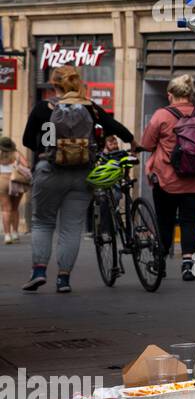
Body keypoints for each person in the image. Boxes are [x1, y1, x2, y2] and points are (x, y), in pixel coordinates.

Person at [20, 65, 134, 292]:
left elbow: (26, 140)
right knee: (71, 228)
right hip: (82, 174)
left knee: (43, 222)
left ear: (54, 84)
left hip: (49, 171)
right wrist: (133, 141)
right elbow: (114, 127)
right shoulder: (90, 107)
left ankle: (39, 271)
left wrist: (46, 148)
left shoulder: (43, 108)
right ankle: (63, 279)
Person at [139, 74, 195, 281]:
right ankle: (188, 264)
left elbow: (147, 144)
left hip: (167, 180)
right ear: (190, 94)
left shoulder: (161, 115)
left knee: (165, 221)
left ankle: (160, 263)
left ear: (170, 95)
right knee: (189, 221)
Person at [0, 136, 31, 244]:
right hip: (16, 181)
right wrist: (15, 164)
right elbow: (27, 164)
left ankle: (7, 235)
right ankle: (15, 233)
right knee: (14, 208)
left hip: (1, 181)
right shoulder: (15, 153)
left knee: (5, 209)